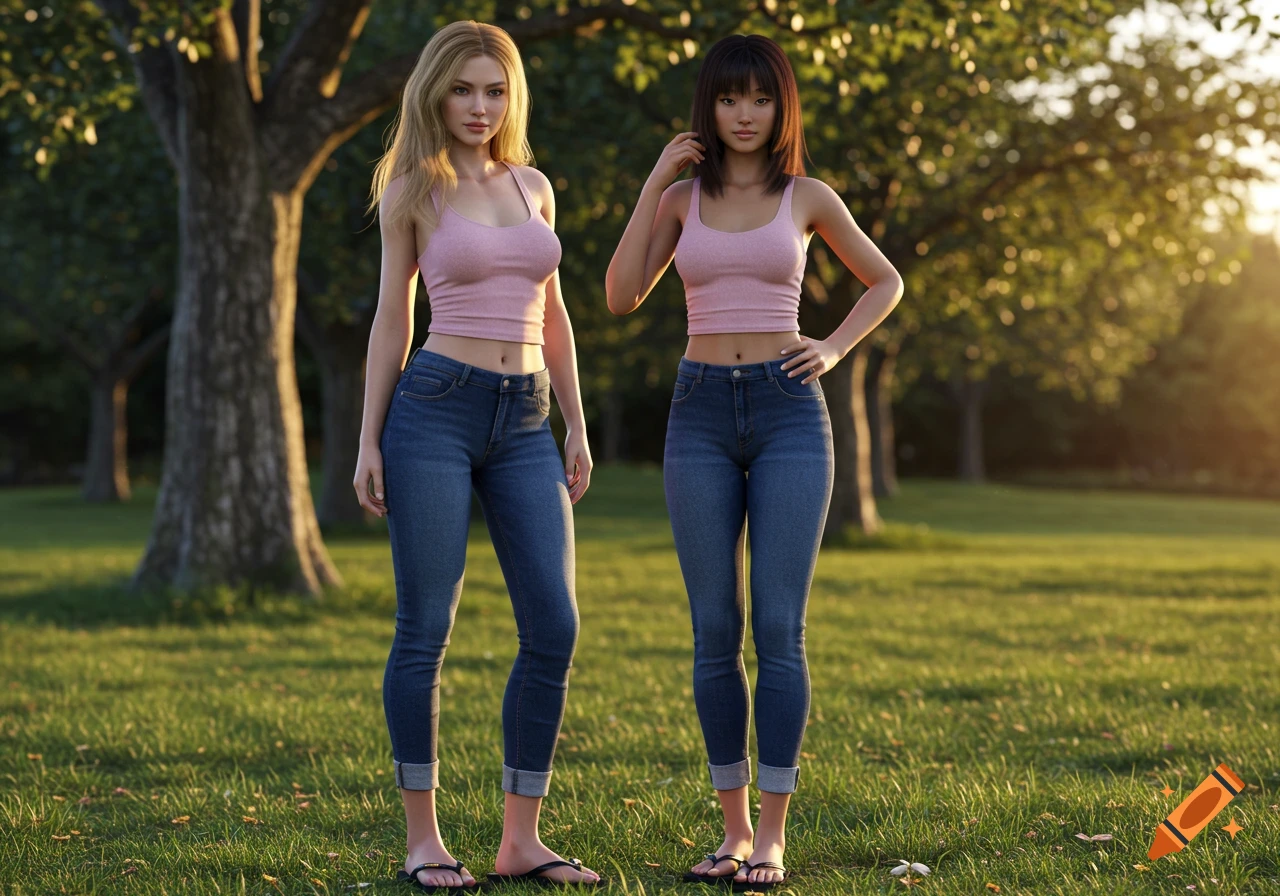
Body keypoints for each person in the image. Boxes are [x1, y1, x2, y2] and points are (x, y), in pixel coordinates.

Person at [605, 33, 904, 890]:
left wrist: (836, 348)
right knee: (711, 633)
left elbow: (884, 282)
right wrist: (652, 186)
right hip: (699, 412)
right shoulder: (682, 200)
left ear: (782, 109)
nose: (745, 114)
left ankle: (771, 835)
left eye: (761, 99)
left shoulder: (807, 196)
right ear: (711, 107)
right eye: (730, 99)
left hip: (787, 413)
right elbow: (622, 296)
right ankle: (731, 830)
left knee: (777, 629)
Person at [356, 20, 600, 891]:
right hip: (436, 411)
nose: (479, 106)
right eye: (462, 89)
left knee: (555, 624)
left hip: (528, 417)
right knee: (426, 628)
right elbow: (395, 318)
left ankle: (519, 840)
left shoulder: (534, 185)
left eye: (494, 90)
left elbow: (557, 313)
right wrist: (368, 438)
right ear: (434, 93)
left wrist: (574, 423)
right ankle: (424, 839)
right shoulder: (412, 188)